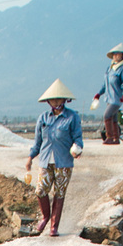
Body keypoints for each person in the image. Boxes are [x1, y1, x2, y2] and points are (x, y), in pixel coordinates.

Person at [27, 79, 83, 236]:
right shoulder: (43, 118)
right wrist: (30, 157)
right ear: (48, 101)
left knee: (59, 193)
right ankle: (45, 217)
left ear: (65, 100)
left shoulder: (72, 117)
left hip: (63, 162)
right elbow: (37, 142)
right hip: (45, 161)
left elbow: (78, 138)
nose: (56, 102)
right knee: (40, 190)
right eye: (53, 99)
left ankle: (54, 226)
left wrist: (77, 149)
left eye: (59, 99)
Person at [92, 45, 123, 145]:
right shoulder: (109, 68)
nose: (115, 56)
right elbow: (105, 84)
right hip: (109, 98)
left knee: (107, 115)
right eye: (114, 54)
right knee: (113, 118)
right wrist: (99, 93)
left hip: (117, 98)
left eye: (117, 54)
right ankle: (116, 139)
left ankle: (109, 137)